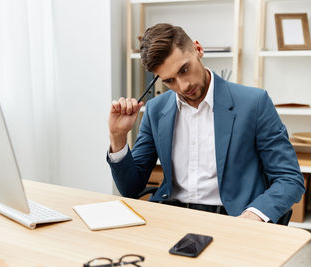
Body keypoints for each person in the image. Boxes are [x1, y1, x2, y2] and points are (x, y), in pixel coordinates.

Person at [107, 23, 305, 223]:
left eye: (184, 69)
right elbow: (131, 189)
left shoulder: (254, 103)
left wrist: (254, 215)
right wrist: (118, 137)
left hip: (235, 218)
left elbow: (290, 179)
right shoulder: (155, 109)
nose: (183, 86)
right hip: (172, 217)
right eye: (170, 81)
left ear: (198, 49)